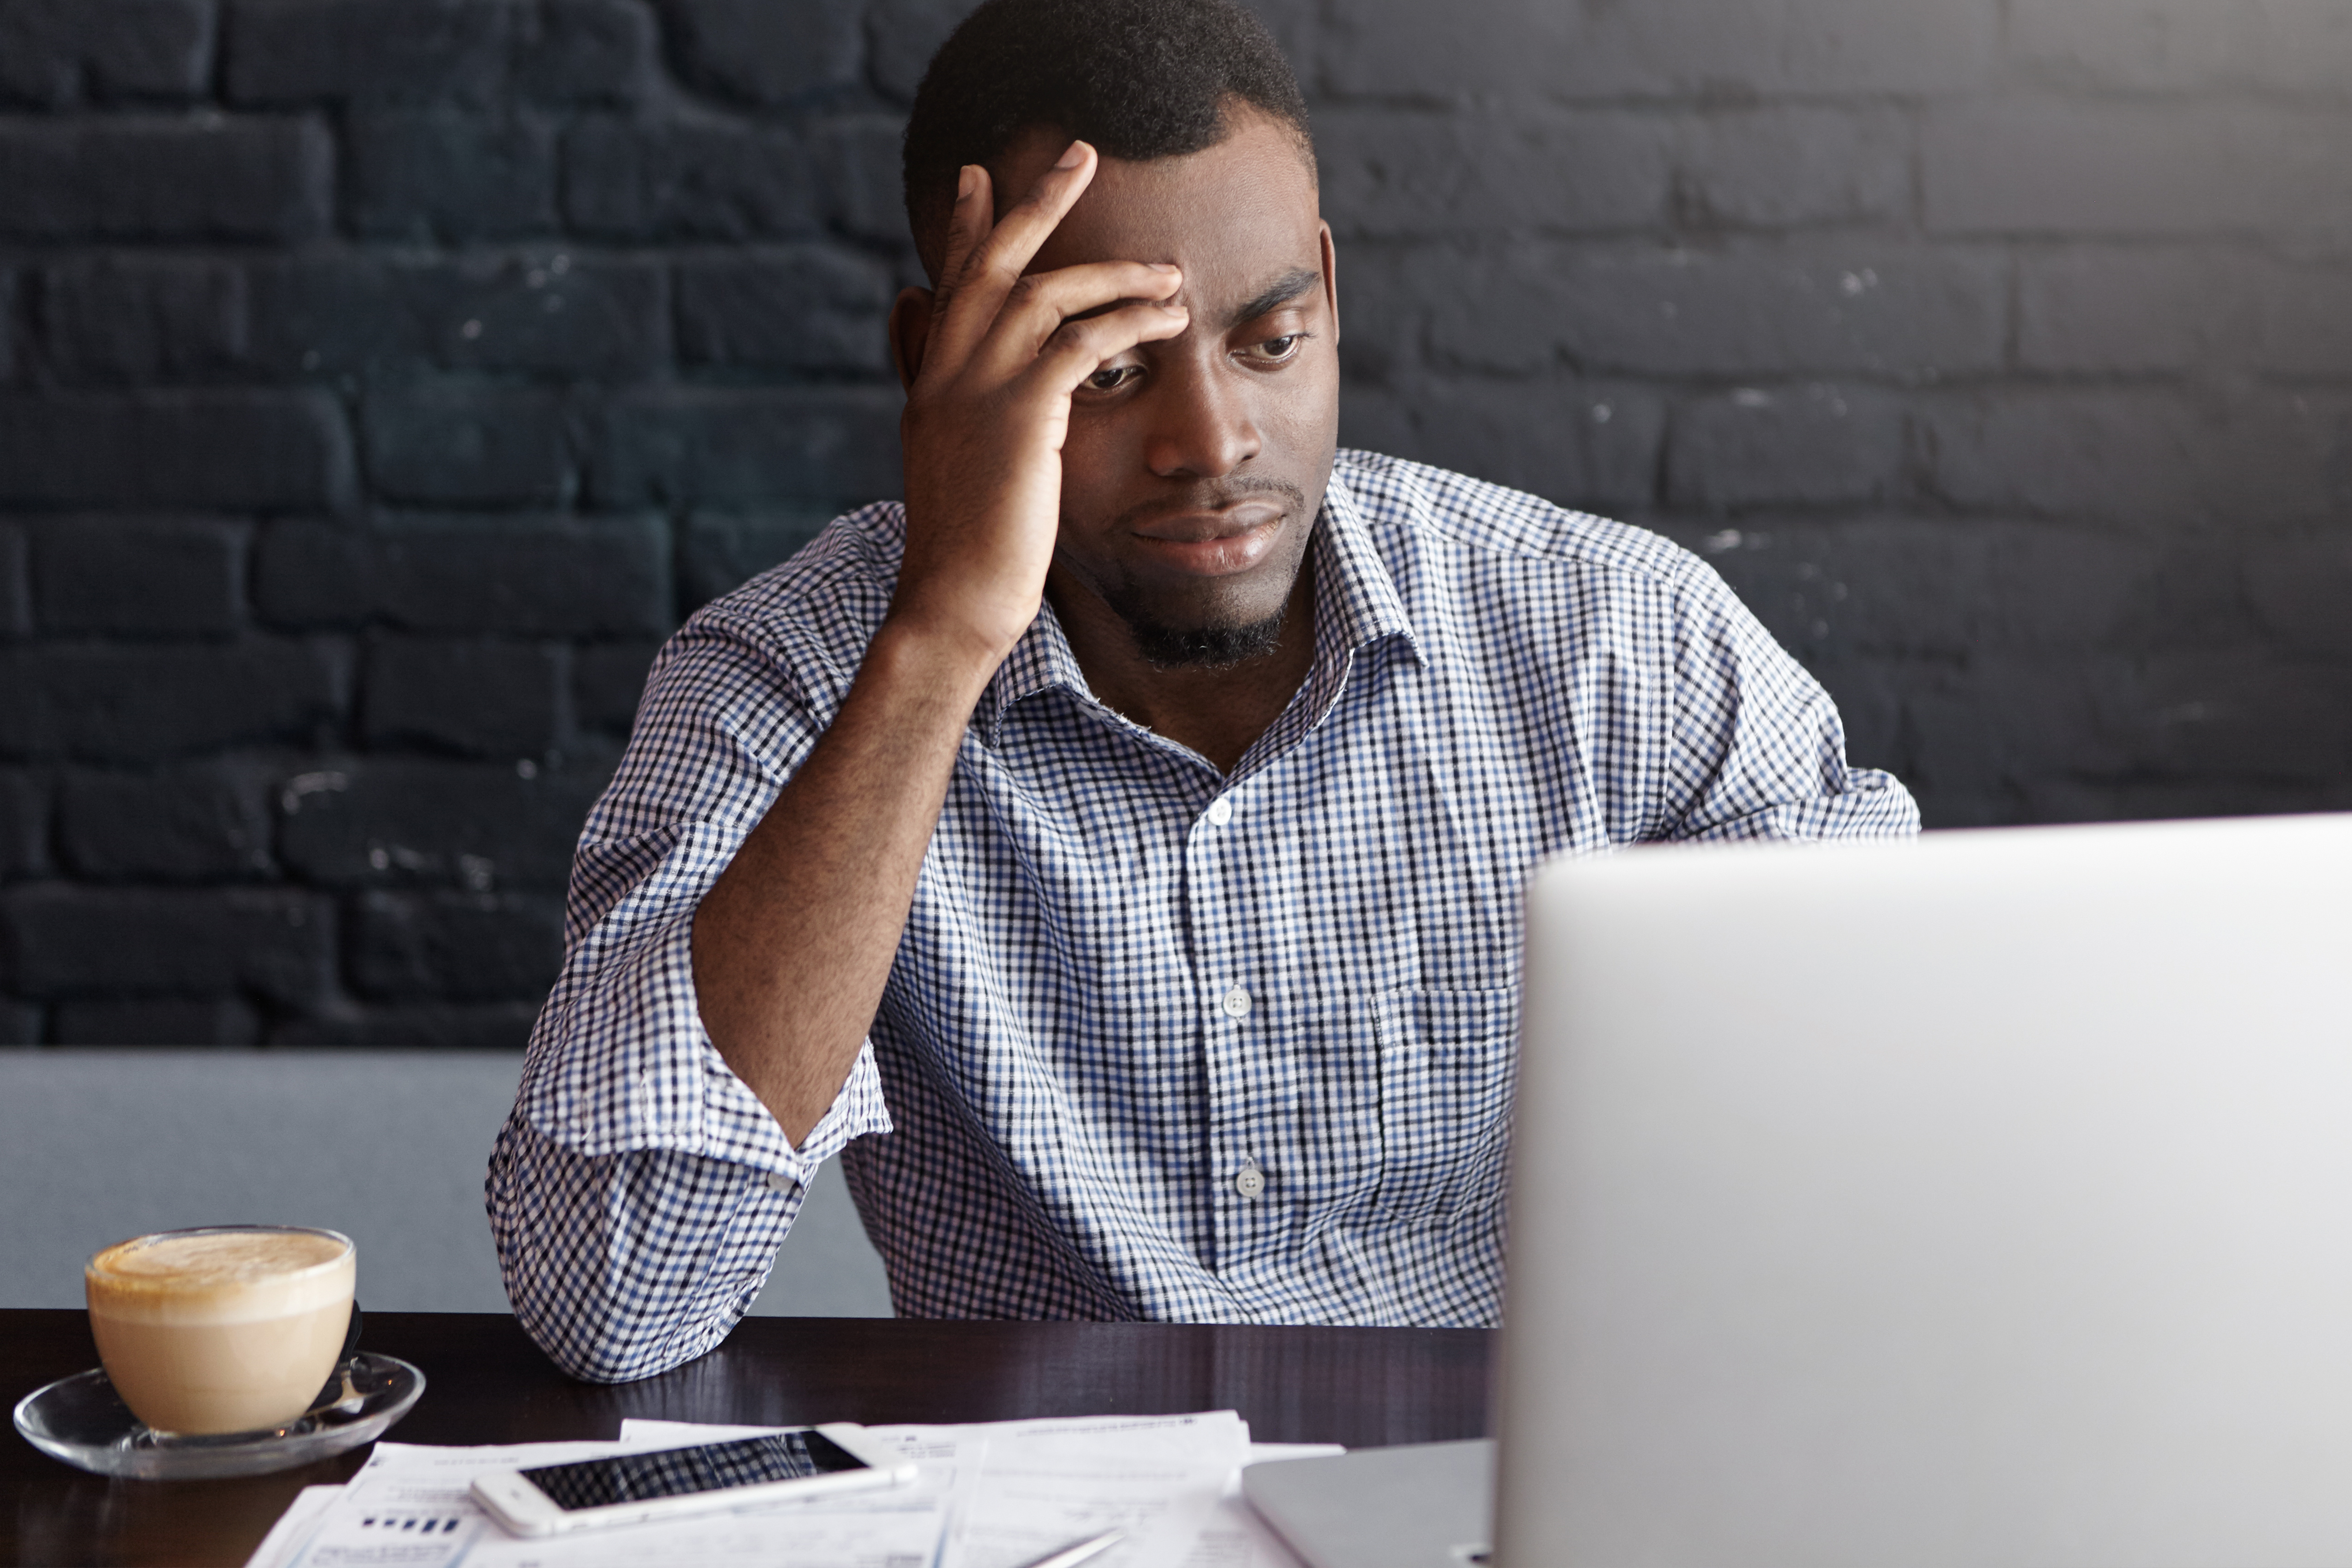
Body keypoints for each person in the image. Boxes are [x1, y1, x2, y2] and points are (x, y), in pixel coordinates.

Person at [487, 0, 1919, 1383]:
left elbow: (1922, 1122)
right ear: (938, 367)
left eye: (1271, 342)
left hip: (1504, 1490)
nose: (1213, 440)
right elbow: (617, 1304)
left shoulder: (1625, 646)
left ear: (1332, 299)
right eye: (1106, 371)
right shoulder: (785, 683)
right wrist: (938, 640)